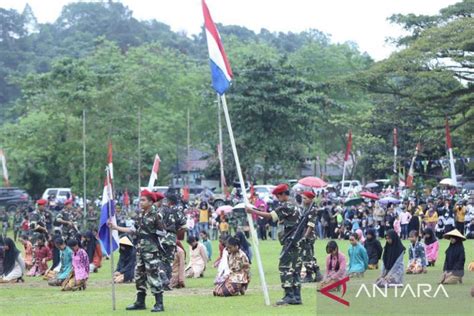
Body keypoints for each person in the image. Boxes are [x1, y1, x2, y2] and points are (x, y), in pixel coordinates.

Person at [108, 189, 166, 312]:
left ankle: (159, 303)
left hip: (151, 251)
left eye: (143, 200)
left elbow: (163, 232)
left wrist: (151, 236)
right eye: (140, 200)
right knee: (139, 276)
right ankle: (140, 302)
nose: (140, 202)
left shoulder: (156, 215)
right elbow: (132, 229)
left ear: (151, 202)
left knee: (153, 275)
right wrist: (115, 227)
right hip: (140, 249)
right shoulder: (141, 214)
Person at [246, 183, 302, 305]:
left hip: (290, 241)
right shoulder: (296, 205)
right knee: (295, 268)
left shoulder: (287, 206)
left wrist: (252, 211)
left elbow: (271, 216)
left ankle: (289, 295)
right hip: (298, 241)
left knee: (284, 267)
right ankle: (297, 296)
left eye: (278, 196)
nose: (277, 198)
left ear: (283, 194)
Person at [300, 191, 321, 283]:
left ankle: (309, 275)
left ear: (311, 199)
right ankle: (317, 273)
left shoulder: (313, 209)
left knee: (307, 255)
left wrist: (305, 236)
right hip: (305, 234)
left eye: (305, 198)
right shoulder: (306, 208)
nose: (303, 200)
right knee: (309, 255)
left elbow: (311, 224)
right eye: (303, 198)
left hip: (309, 235)